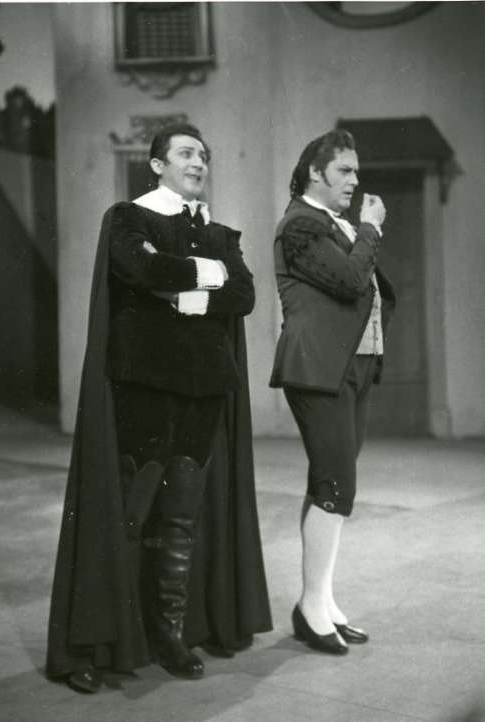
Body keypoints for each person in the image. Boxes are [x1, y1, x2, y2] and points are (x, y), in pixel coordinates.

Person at [46, 123, 272, 693]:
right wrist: (209, 274)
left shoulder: (219, 232)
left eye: (204, 155)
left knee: (180, 517)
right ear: (157, 164)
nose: (199, 162)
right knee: (129, 512)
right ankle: (102, 640)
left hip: (203, 390)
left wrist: (183, 294)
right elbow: (143, 270)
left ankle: (168, 633)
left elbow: (244, 295)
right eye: (186, 153)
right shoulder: (130, 218)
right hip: (143, 387)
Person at [270, 129, 395, 655]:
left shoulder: (332, 223)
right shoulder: (302, 222)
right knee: (335, 486)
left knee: (331, 485)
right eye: (344, 170)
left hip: (350, 367)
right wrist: (370, 229)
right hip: (319, 370)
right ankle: (311, 608)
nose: (353, 180)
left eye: (356, 171)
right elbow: (348, 280)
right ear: (315, 173)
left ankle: (320, 600)